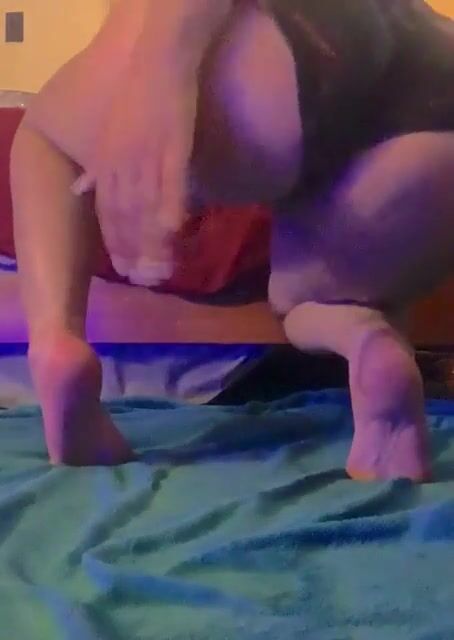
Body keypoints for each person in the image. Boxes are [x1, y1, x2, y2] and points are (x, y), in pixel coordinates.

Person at [10, 0, 454, 479]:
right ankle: (368, 341)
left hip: (284, 35)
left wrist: (159, 71)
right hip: (436, 69)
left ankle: (57, 344)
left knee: (45, 140)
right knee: (306, 303)